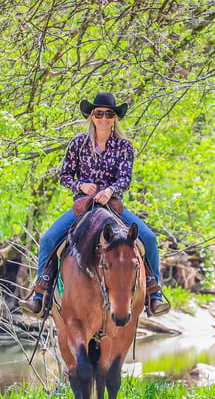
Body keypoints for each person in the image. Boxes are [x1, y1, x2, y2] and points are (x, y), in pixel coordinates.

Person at [24, 91, 170, 317]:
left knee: (149, 238)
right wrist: (81, 186)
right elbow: (65, 176)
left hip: (113, 206)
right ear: (92, 116)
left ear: (115, 118)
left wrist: (111, 190)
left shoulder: (124, 146)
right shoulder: (78, 144)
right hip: (84, 206)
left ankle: (154, 294)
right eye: (99, 113)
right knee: (49, 239)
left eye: (109, 114)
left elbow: (125, 179)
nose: (104, 118)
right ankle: (40, 294)